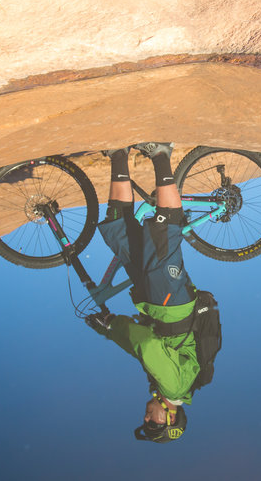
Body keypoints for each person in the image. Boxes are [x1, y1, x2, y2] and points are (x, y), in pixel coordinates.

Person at [85, 142, 198, 443]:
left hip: (153, 302)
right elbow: (146, 346)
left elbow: (140, 347)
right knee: (165, 232)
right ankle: (161, 154)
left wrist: (110, 331)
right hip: (170, 304)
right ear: (170, 417)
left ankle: (119, 155)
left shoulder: (161, 385)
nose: (147, 417)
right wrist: (111, 326)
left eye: (146, 422)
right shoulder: (174, 388)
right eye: (154, 423)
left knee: (117, 229)